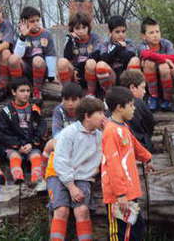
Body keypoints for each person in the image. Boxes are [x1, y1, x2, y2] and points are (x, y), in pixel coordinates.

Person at [47, 97, 105, 240]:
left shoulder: (100, 136)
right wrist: (71, 186)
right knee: (61, 210)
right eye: (99, 113)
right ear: (87, 116)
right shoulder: (69, 133)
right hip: (58, 173)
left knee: (82, 210)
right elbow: (60, 161)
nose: (103, 117)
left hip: (82, 177)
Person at [102, 86, 153, 240]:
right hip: (119, 196)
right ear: (119, 107)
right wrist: (121, 194)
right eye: (131, 105)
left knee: (136, 231)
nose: (134, 108)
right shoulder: (110, 132)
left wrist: (147, 158)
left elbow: (135, 145)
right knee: (121, 233)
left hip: (129, 192)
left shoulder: (123, 127)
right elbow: (113, 165)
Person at [0, 78, 47, 190]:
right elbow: (2, 132)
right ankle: (18, 180)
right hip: (13, 147)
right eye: (22, 91)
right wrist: (18, 145)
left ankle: (36, 181)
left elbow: (41, 127)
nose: (26, 94)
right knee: (14, 157)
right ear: (14, 92)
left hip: (31, 145)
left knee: (36, 157)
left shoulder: (34, 109)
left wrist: (33, 143)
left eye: (28, 91)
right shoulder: (6, 111)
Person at [9, 6, 57, 99]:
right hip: (25, 69)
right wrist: (23, 37)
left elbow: (50, 54)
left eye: (37, 20)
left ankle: (36, 91)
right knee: (13, 58)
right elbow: (18, 56)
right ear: (24, 22)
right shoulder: (19, 35)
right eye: (32, 21)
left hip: (40, 68)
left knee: (37, 59)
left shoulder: (46, 34)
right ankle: (17, 88)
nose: (36, 23)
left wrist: (51, 75)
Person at [56, 12, 103, 96]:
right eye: (77, 28)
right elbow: (67, 57)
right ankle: (67, 93)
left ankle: (91, 94)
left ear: (88, 27)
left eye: (84, 27)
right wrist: (71, 40)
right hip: (74, 75)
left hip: (88, 72)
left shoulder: (94, 38)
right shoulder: (70, 39)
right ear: (72, 29)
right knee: (62, 62)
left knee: (91, 62)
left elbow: (97, 55)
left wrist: (78, 70)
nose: (81, 31)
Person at [138, 17, 174, 111]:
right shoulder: (143, 45)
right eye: (151, 33)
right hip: (150, 83)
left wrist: (163, 60)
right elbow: (145, 53)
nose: (155, 35)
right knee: (148, 63)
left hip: (167, 78)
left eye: (157, 31)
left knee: (163, 67)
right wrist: (166, 59)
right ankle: (153, 97)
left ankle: (167, 99)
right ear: (144, 36)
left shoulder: (166, 43)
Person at [95, 15, 141, 93]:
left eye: (123, 31)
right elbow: (105, 59)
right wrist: (118, 47)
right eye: (117, 32)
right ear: (110, 32)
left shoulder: (129, 43)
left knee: (135, 60)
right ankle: (108, 94)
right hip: (111, 75)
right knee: (100, 65)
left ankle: (131, 92)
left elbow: (129, 57)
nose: (121, 34)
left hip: (125, 74)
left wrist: (118, 51)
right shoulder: (105, 44)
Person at [42, 82, 83, 166]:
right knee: (50, 143)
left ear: (80, 100)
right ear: (62, 99)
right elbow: (56, 133)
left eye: (74, 100)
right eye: (66, 99)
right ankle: (44, 170)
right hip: (64, 141)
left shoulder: (85, 111)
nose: (70, 103)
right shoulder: (59, 110)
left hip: (82, 142)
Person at [119, 70, 156, 151]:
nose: (145, 91)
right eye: (142, 87)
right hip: (139, 146)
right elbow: (150, 123)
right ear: (132, 87)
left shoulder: (113, 102)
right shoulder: (139, 103)